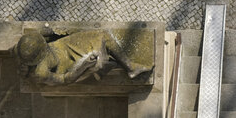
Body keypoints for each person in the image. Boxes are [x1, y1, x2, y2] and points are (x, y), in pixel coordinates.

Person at [15, 30, 153, 85]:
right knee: (99, 53)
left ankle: (125, 67)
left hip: (64, 45)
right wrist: (84, 66)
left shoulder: (27, 45)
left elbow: (44, 34)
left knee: (101, 35)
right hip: (69, 65)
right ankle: (129, 67)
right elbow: (64, 80)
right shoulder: (41, 72)